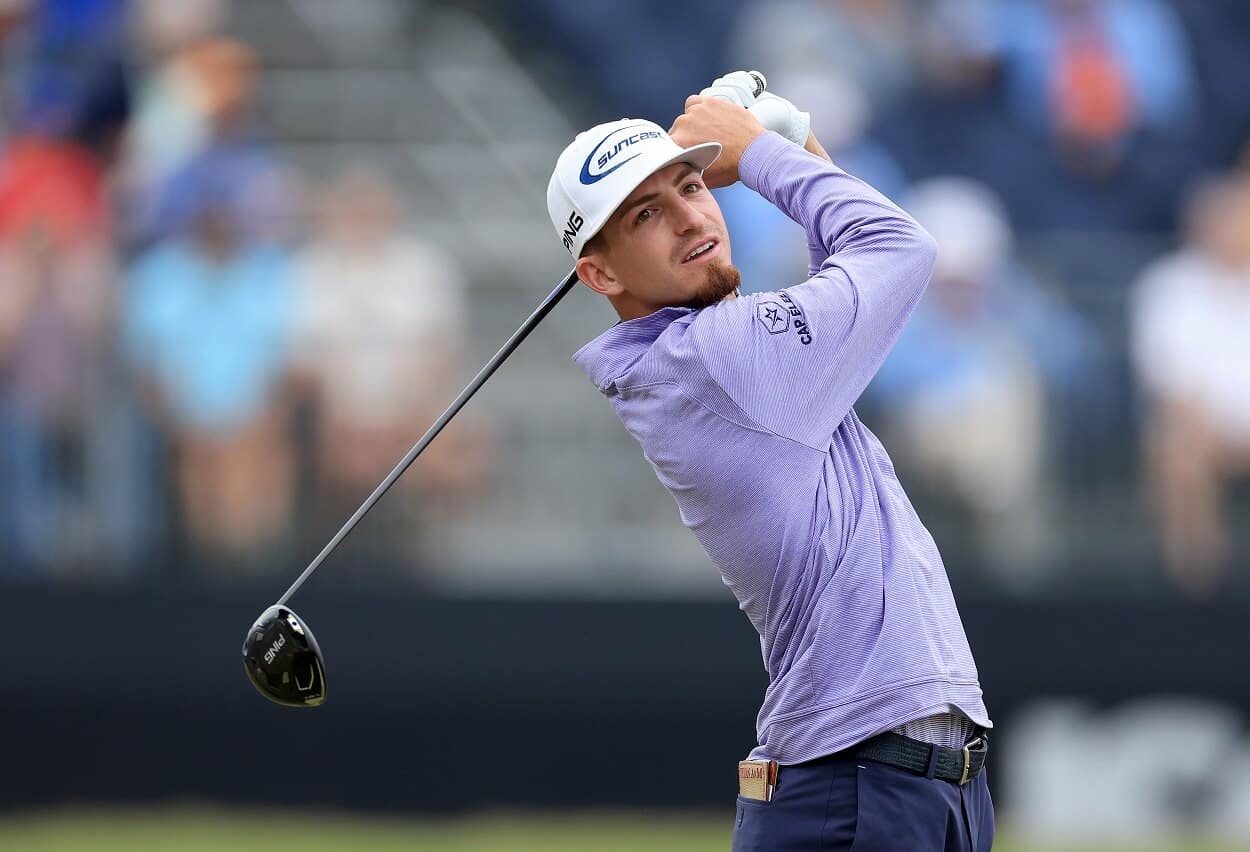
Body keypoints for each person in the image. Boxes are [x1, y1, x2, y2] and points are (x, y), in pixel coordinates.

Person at [547, 76, 993, 850]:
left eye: (692, 186)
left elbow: (855, 255)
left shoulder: (711, 357)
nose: (691, 218)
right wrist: (762, 153)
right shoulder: (721, 357)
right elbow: (899, 248)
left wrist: (793, 147)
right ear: (602, 274)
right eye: (648, 214)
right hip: (857, 789)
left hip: (900, 783)